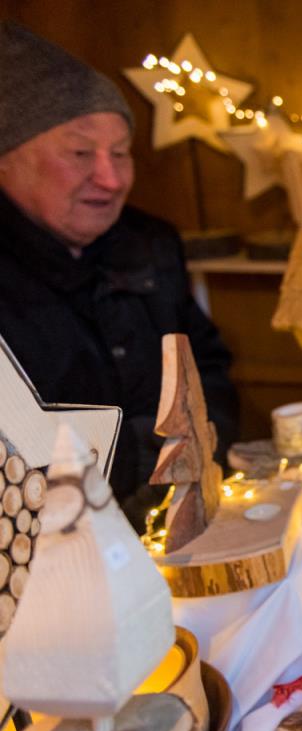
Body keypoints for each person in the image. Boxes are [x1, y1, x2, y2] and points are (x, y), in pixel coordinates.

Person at [0, 22, 237, 514]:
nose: (110, 179)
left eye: (121, 153)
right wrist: (136, 458)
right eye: (80, 153)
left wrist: (198, 447)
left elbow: (209, 369)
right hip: (56, 545)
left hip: (181, 513)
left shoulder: (150, 243)